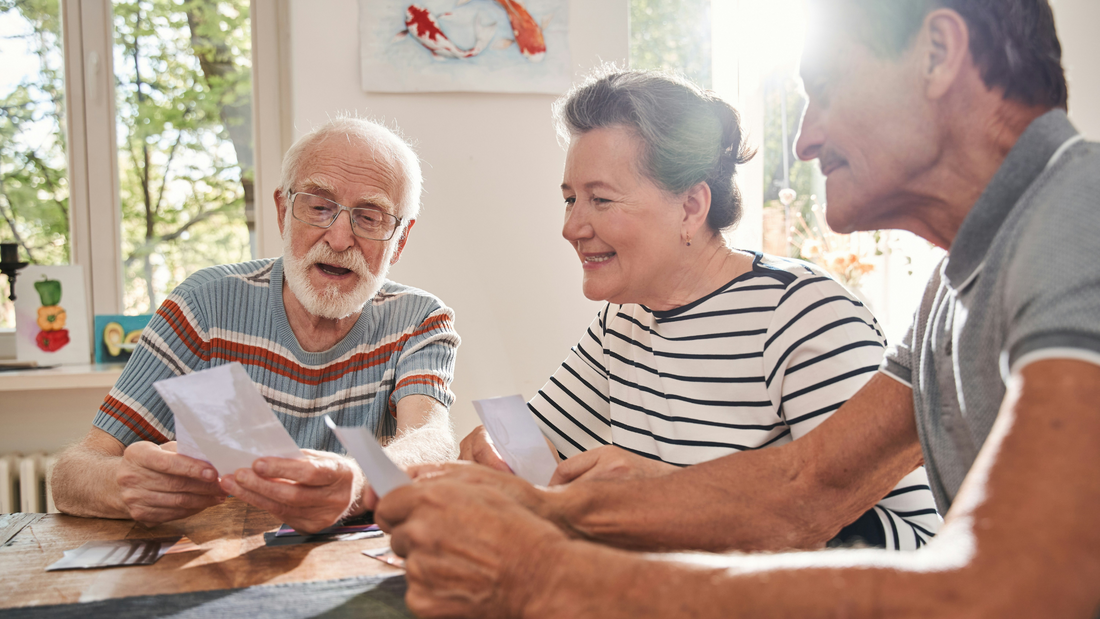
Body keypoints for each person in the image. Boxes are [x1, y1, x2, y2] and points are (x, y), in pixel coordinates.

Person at [375, 0, 1100, 616]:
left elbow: (1026, 588)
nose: (805, 137)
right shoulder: (958, 283)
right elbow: (802, 487)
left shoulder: (1080, 215)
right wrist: (543, 513)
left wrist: (550, 571)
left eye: (826, 87)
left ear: (939, 54)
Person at [461, 70, 939, 550]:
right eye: (570, 200)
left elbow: (919, 544)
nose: (572, 228)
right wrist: (499, 446)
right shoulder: (625, 318)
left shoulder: (803, 314)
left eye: (600, 199)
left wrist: (671, 500)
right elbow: (542, 445)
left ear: (691, 206)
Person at [52, 117, 461, 533]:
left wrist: (356, 483)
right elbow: (73, 474)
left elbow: (431, 442)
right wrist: (124, 485)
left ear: (400, 241)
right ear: (284, 212)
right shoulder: (204, 305)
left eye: (370, 217)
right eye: (319, 207)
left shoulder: (420, 320)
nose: (339, 239)